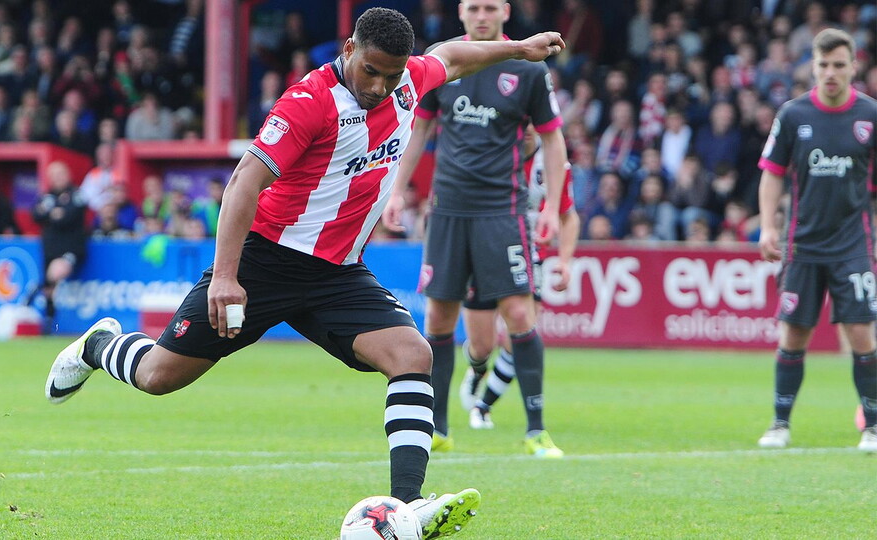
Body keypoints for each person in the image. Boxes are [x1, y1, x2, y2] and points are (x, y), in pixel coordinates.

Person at [44, 8, 566, 537]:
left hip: (337, 274)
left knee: (413, 354)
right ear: (349, 49)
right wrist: (225, 276)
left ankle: (408, 507)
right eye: (370, 71)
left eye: (391, 76)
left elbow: (451, 56)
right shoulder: (308, 102)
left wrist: (518, 49)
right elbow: (243, 183)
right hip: (263, 262)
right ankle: (99, 346)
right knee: (159, 377)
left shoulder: (409, 80)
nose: (379, 86)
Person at [383, 0, 568, 459]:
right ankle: (439, 428)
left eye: (489, 7)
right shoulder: (443, 59)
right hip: (447, 210)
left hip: (502, 210)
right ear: (461, 12)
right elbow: (419, 129)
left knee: (520, 314)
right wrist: (396, 190)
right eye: (473, 8)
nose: (481, 15)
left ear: (504, 11)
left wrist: (551, 205)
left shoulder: (528, 68)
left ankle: (536, 430)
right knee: (438, 318)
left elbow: (551, 137)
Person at [755, 29, 877, 452]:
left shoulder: (870, 115)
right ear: (813, 66)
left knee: (861, 334)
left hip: (854, 244)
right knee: (794, 335)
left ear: (853, 67)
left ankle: (873, 426)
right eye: (823, 65)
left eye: (839, 65)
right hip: (803, 245)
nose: (830, 73)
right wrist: (768, 227)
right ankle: (779, 424)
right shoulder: (793, 115)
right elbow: (772, 173)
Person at [459, 148, 580, 443]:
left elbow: (568, 215)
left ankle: (483, 406)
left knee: (521, 335)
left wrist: (565, 261)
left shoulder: (553, 162)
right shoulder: (493, 149)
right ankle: (477, 369)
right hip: (484, 249)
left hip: (529, 256)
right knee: (482, 345)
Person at [31, 161, 87, 327]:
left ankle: (32, 293)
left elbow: (69, 216)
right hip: (49, 249)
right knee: (49, 288)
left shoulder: (77, 194)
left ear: (68, 174)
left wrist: (52, 214)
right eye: (54, 175)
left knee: (56, 273)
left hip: (71, 248)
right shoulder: (46, 196)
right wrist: (54, 213)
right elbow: (36, 215)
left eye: (60, 174)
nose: (58, 178)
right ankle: (50, 320)